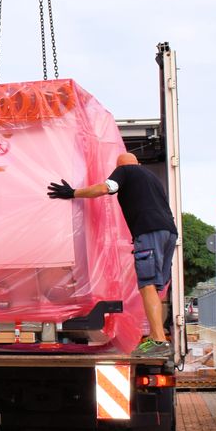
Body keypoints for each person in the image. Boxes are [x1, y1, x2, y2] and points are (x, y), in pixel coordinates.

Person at [48, 152, 176, 361]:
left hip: (148, 231)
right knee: (155, 285)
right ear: (139, 162)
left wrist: (73, 193)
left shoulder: (125, 171)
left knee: (148, 284)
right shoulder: (151, 178)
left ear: (120, 166)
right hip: (169, 233)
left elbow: (105, 188)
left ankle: (159, 341)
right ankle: (156, 336)